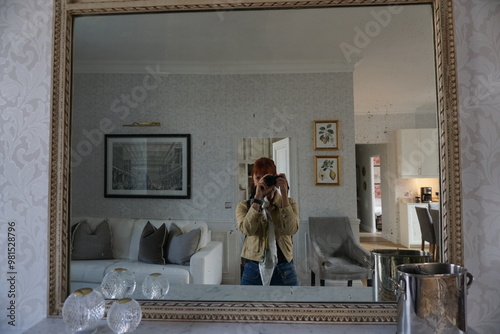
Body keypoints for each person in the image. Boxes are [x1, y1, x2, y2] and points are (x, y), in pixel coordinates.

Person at [235, 157, 299, 286]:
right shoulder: (245, 206)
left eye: (266, 178)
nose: (262, 182)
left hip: (284, 266)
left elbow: (291, 230)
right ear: (252, 178)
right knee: (249, 306)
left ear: (275, 178)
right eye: (258, 178)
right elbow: (247, 230)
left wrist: (284, 194)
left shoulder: (289, 203)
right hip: (253, 267)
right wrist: (258, 199)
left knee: (289, 306)